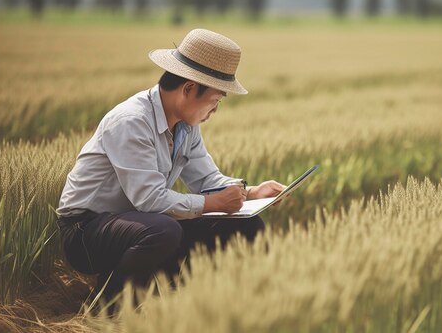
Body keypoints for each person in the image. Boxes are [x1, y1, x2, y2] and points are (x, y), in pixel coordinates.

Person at [55, 29, 286, 303]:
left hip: (141, 222)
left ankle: (183, 302)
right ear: (188, 89)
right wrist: (213, 203)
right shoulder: (131, 121)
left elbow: (206, 179)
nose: (215, 111)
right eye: (214, 101)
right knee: (164, 230)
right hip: (86, 232)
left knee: (247, 225)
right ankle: (109, 309)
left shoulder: (186, 126)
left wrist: (251, 192)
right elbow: (150, 200)